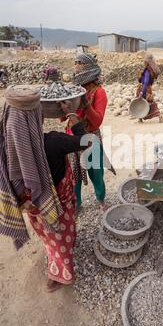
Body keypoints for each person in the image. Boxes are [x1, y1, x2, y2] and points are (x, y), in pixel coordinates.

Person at [0, 85, 91, 293]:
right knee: (59, 236)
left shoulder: (7, 149)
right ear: (37, 115)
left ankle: (55, 251)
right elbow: (86, 141)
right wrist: (71, 113)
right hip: (57, 204)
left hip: (35, 207)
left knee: (48, 234)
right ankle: (59, 273)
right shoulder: (54, 142)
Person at [63, 53, 108, 210]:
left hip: (90, 138)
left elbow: (97, 122)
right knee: (74, 175)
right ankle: (77, 204)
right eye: (75, 64)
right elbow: (62, 118)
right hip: (71, 138)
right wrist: (63, 107)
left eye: (79, 64)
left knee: (96, 172)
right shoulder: (75, 90)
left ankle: (101, 198)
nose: (76, 67)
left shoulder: (99, 92)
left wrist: (85, 104)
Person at [136, 54, 163, 123]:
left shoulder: (147, 71)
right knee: (149, 103)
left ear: (147, 62)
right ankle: (141, 118)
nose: (144, 63)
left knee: (142, 103)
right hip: (148, 89)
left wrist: (142, 92)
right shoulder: (151, 70)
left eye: (145, 61)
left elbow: (145, 82)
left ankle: (158, 115)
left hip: (144, 89)